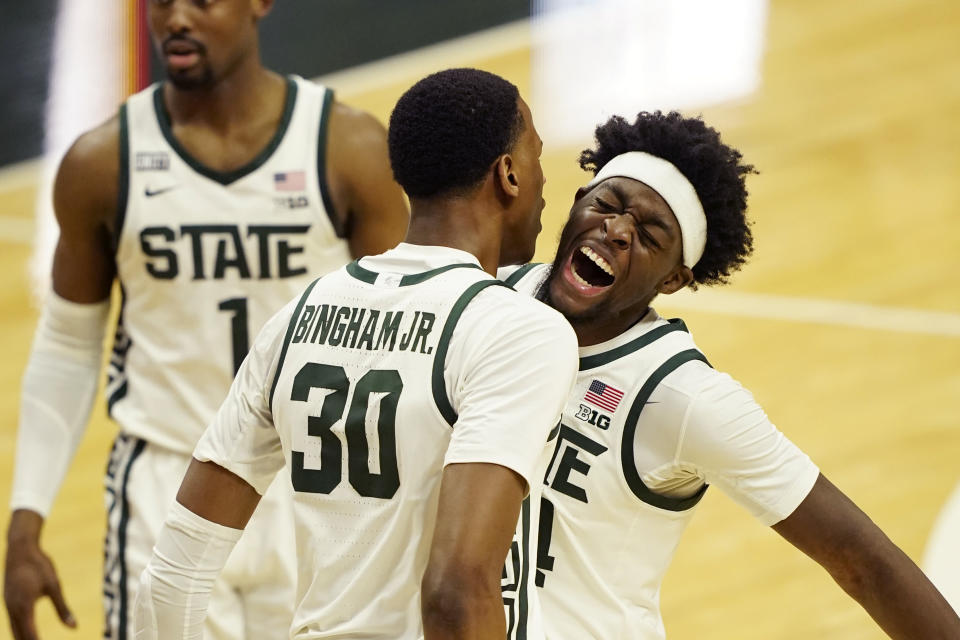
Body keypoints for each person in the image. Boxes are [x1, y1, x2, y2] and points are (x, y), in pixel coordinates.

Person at [4, 0, 409, 638]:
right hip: (163, 486)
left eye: (200, 1)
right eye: (161, 4)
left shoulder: (348, 147)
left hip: (312, 481)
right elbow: (66, 348)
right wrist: (26, 520)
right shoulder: (101, 162)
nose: (177, 19)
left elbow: (412, 334)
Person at [132, 67, 578, 640]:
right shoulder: (517, 331)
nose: (545, 181)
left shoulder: (298, 315)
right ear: (509, 175)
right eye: (537, 157)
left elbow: (172, 576)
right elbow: (457, 591)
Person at [500, 111, 960, 639]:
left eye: (650, 235)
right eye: (607, 204)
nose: (619, 229)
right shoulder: (486, 298)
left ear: (674, 279)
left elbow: (862, 560)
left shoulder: (683, 396)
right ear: (579, 200)